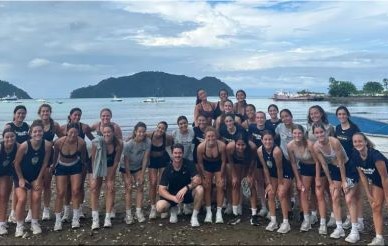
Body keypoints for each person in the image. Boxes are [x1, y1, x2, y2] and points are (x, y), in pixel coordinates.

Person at [13, 120, 52, 237]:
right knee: (22, 199)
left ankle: (34, 223)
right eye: (35, 131)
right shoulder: (24, 146)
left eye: (40, 131)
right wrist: (20, 178)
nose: (37, 133)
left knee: (36, 197)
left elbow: (45, 163)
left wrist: (39, 179)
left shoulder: (47, 145)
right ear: (30, 133)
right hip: (21, 176)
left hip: (36, 176)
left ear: (43, 132)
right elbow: (16, 164)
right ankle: (19, 225)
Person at [312, 123, 349, 239]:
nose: (320, 134)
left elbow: (341, 161)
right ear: (314, 134)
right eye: (317, 133)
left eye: (321, 132)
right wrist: (331, 182)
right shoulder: (316, 147)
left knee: (349, 195)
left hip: (346, 166)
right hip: (334, 169)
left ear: (326, 132)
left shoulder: (334, 142)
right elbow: (323, 164)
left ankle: (353, 220)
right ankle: (339, 228)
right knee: (335, 196)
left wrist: (344, 181)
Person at [352, 133, 388, 246]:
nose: (358, 143)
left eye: (360, 141)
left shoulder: (375, 156)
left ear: (366, 142)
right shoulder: (355, 155)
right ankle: (379, 238)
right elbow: (362, 176)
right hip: (377, 182)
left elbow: (385, 178)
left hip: (385, 180)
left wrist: (387, 197)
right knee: (375, 207)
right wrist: (368, 193)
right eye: (355, 141)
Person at [335, 106, 364, 243]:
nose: (342, 116)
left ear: (347, 115)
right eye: (339, 114)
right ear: (337, 116)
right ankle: (355, 219)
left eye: (344, 114)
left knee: (351, 196)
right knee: (352, 195)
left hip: (353, 164)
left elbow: (359, 144)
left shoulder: (354, 128)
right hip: (342, 165)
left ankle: (357, 225)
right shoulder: (337, 129)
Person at [156, 143, 203, 227]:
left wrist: (186, 187)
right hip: (172, 195)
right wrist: (173, 198)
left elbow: (198, 179)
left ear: (183, 153)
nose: (178, 155)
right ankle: (173, 208)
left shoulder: (188, 163)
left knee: (200, 189)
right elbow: (161, 189)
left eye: (180, 153)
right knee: (160, 207)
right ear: (172, 153)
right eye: (175, 153)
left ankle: (194, 217)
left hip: (186, 193)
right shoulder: (167, 168)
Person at [60, 107, 95, 221]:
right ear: (70, 116)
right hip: (67, 160)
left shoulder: (84, 127)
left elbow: (94, 140)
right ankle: (66, 212)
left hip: (81, 160)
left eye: (79, 115)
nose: (77, 117)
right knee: (67, 187)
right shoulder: (63, 128)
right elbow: (60, 144)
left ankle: (79, 210)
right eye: (75, 115)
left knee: (79, 186)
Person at [258, 130, 294, 234]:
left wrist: (280, 184)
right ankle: (273, 221)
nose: (268, 142)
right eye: (265, 139)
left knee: (281, 193)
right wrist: (269, 183)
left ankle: (286, 223)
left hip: (285, 172)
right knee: (270, 193)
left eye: (270, 139)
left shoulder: (276, 151)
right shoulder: (260, 151)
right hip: (272, 173)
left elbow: (280, 169)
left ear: (273, 140)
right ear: (261, 140)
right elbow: (265, 168)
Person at [52, 123, 87, 231]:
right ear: (67, 132)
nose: (73, 135)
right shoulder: (59, 142)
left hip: (75, 166)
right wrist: (53, 167)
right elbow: (55, 157)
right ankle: (58, 220)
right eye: (71, 132)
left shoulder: (81, 143)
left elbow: (83, 159)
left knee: (76, 191)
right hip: (62, 167)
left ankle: (75, 218)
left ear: (78, 133)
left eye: (75, 133)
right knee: (60, 193)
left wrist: (83, 172)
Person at [287, 124, 321, 232]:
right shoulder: (290, 146)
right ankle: (306, 219)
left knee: (316, 192)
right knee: (303, 191)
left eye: (299, 133)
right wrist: (298, 179)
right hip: (304, 167)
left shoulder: (310, 145)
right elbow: (293, 163)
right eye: (295, 133)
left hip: (316, 167)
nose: (297, 135)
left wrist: (318, 177)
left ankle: (314, 214)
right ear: (292, 134)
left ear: (303, 134)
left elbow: (317, 162)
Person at [89, 124, 123, 230]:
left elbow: (116, 161)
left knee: (110, 188)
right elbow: (93, 160)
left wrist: (111, 178)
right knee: (94, 189)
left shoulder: (119, 144)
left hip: (110, 164)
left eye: (109, 132)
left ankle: (107, 217)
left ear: (113, 132)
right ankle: (95, 219)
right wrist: (94, 176)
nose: (107, 134)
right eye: (105, 132)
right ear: (102, 133)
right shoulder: (97, 142)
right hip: (97, 165)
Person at [120, 122, 150, 224]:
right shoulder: (128, 144)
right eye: (139, 132)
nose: (141, 134)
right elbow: (126, 161)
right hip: (126, 167)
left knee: (140, 186)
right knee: (128, 187)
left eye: (143, 131)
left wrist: (142, 174)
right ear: (135, 132)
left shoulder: (147, 142)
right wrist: (128, 176)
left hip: (138, 167)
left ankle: (138, 211)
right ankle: (128, 214)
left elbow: (145, 158)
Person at [38, 103, 63, 221]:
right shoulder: (35, 124)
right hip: (36, 157)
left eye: (47, 111)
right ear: (39, 113)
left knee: (47, 184)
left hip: (49, 157)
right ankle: (32, 211)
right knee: (35, 185)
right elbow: (30, 139)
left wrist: (53, 143)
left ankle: (46, 210)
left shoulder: (54, 125)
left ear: (50, 112)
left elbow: (62, 137)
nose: (45, 113)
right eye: (43, 111)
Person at [196, 127, 226, 224]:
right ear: (205, 137)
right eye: (208, 136)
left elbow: (224, 161)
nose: (211, 138)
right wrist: (204, 176)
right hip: (207, 166)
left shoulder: (221, 145)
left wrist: (221, 174)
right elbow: (200, 163)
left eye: (213, 136)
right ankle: (208, 212)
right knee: (207, 186)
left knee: (220, 186)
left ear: (216, 136)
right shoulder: (201, 147)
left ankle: (219, 212)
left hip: (218, 165)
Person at [226, 134, 258, 225]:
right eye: (238, 145)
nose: (240, 147)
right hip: (236, 162)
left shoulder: (252, 147)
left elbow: (253, 161)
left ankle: (254, 215)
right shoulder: (229, 148)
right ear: (235, 144)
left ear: (246, 144)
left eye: (243, 145)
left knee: (250, 185)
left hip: (249, 163)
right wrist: (234, 176)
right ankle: (235, 215)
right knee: (235, 184)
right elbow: (230, 161)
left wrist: (249, 175)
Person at [5, 105, 29, 224]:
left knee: (17, 187)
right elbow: (6, 143)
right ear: (14, 114)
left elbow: (28, 142)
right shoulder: (9, 126)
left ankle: (14, 212)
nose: (21, 115)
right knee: (11, 187)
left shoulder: (26, 126)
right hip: (11, 160)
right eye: (19, 113)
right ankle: (12, 213)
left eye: (23, 113)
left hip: (22, 160)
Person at [147, 121, 173, 219]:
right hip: (152, 161)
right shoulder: (149, 135)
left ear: (165, 130)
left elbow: (174, 145)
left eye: (163, 129)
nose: (160, 130)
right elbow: (136, 135)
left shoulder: (168, 138)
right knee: (153, 183)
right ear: (156, 127)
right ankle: (153, 207)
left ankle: (163, 206)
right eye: (159, 127)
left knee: (162, 184)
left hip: (163, 160)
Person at [248, 111, 270, 218]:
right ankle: (264, 206)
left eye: (262, 117)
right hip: (256, 158)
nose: (260, 119)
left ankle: (271, 207)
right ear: (255, 119)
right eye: (258, 117)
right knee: (260, 182)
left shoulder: (270, 128)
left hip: (268, 158)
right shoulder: (252, 127)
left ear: (265, 119)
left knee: (269, 182)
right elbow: (249, 140)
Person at [0, 129, 18, 235]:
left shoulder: (19, 146)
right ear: (3, 138)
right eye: (7, 137)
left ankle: (2, 222)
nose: (10, 139)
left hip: (6, 173)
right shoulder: (0, 147)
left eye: (12, 136)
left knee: (4, 197)